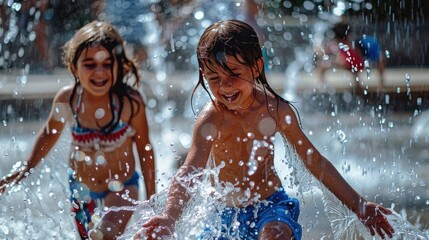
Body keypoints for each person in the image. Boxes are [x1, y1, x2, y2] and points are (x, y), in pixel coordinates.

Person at [138, 20, 395, 239]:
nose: (225, 87)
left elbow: (314, 161)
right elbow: (190, 172)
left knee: (274, 235)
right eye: (214, 78)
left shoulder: (276, 110)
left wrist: (359, 205)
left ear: (257, 67)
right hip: (222, 212)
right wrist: (169, 217)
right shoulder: (212, 120)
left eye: (234, 74)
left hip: (270, 203)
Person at [0, 21, 156, 239]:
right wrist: (27, 167)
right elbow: (49, 133)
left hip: (123, 187)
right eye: (90, 64)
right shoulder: (68, 100)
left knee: (104, 235)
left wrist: (152, 199)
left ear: (118, 65)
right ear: (74, 67)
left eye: (107, 64)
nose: (99, 72)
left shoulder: (130, 103)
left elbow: (144, 148)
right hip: (82, 189)